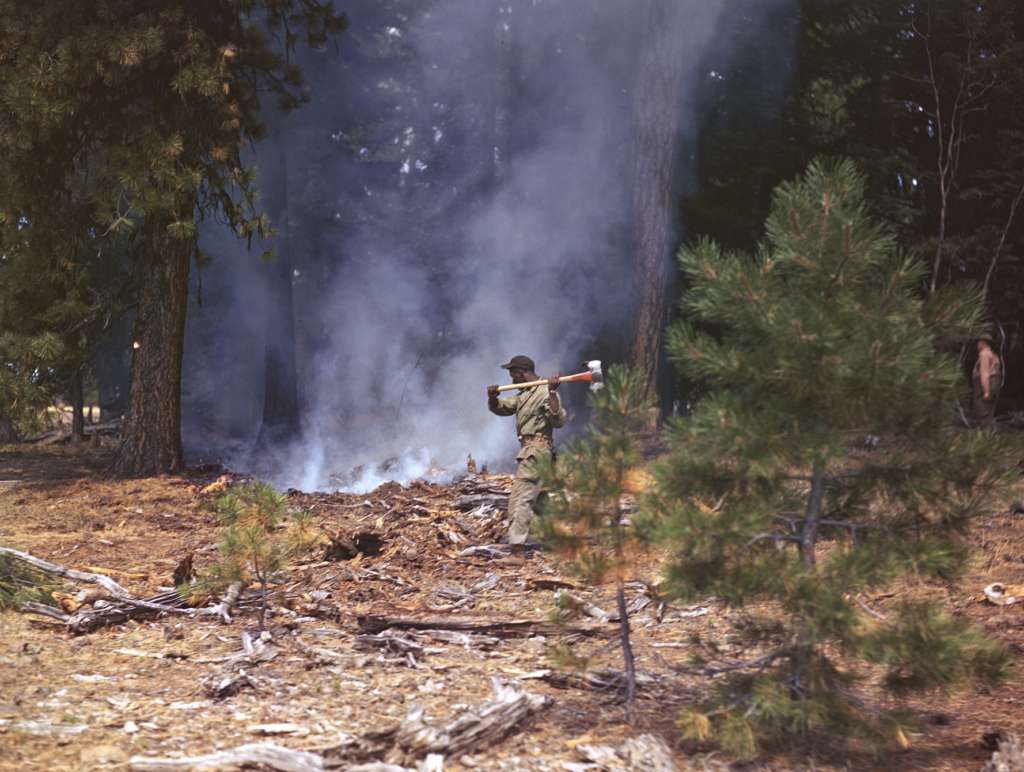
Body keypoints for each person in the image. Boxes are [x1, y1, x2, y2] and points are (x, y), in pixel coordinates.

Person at [487, 355, 566, 564]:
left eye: (512, 373)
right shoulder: (525, 395)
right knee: (541, 502)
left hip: (536, 453)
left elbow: (558, 420)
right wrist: (493, 397)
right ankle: (560, 542)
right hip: (533, 453)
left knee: (520, 500)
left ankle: (517, 552)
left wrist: (552, 392)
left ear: (520, 372)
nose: (511, 378)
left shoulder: (543, 392)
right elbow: (503, 407)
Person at [973, 333, 1002, 429]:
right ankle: (991, 436)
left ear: (982, 344)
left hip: (985, 386)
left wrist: (986, 391)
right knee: (989, 412)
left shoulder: (984, 355)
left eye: (978, 344)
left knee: (982, 412)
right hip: (994, 384)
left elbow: (985, 374)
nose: (977, 346)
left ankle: (987, 436)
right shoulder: (993, 355)